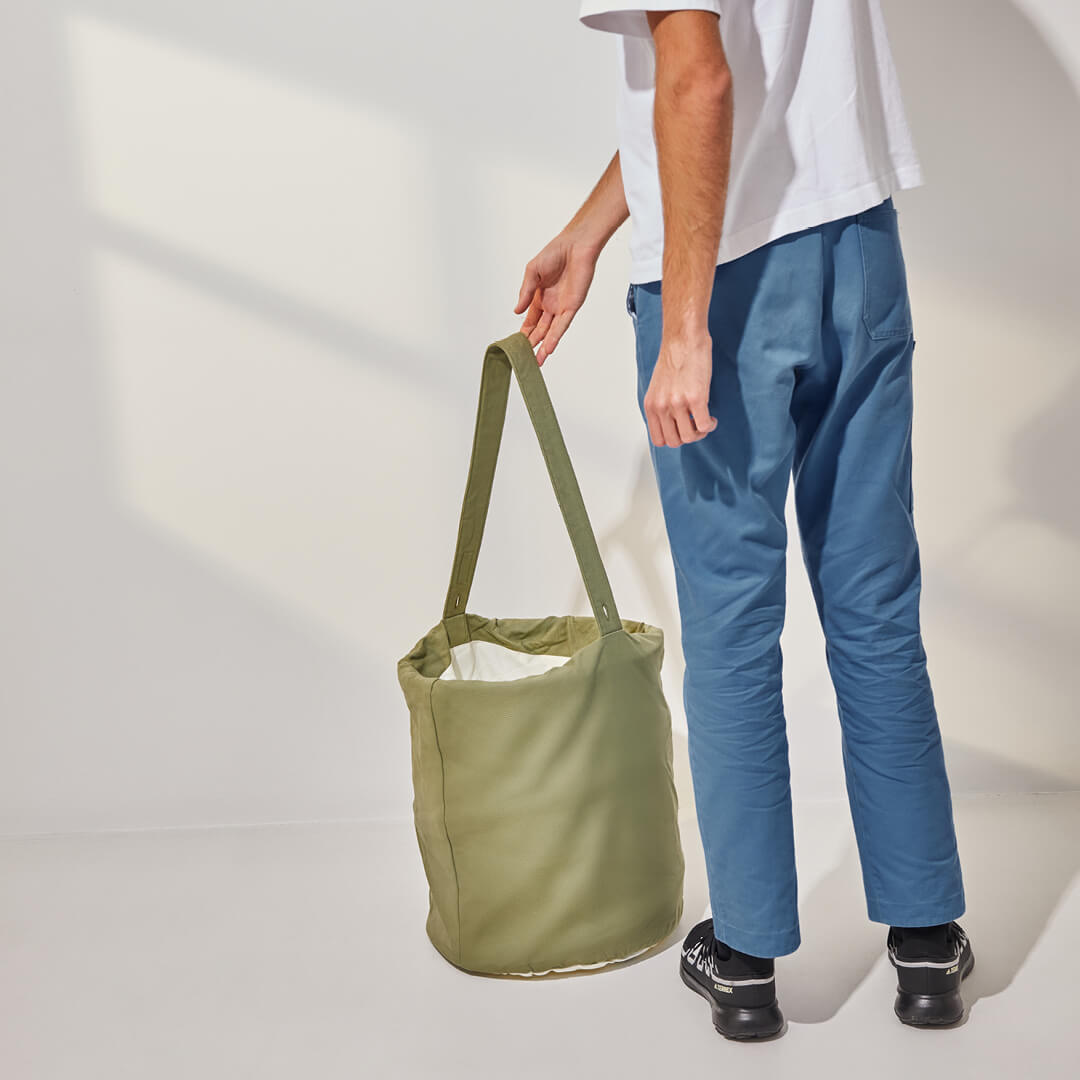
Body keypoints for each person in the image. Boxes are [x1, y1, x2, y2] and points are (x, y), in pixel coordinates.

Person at [513, 1, 974, 1041]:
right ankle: (927, 942)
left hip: (725, 285)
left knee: (729, 629)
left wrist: (685, 330)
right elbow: (738, 94)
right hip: (857, 250)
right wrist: (590, 233)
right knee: (874, 608)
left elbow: (701, 85)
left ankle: (750, 956)